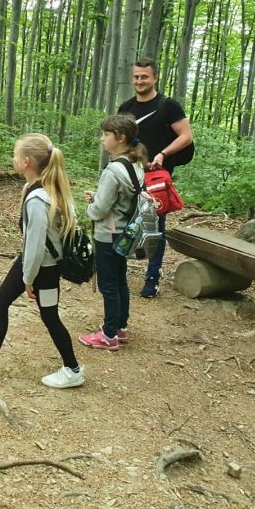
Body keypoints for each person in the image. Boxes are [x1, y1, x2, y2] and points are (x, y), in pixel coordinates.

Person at [0, 134, 85, 389]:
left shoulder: (37, 200)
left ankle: (72, 369)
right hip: (42, 266)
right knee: (8, 303)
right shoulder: (48, 189)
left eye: (15, 155)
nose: (13, 159)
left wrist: (28, 278)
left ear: (27, 162)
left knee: (42, 314)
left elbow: (35, 245)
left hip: (40, 268)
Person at [117, 57, 193, 298]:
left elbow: (186, 136)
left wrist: (162, 154)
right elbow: (119, 140)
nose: (139, 81)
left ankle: (152, 276)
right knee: (123, 220)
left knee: (155, 225)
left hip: (157, 177)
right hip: (130, 173)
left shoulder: (168, 106)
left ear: (155, 78)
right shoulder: (126, 107)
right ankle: (118, 269)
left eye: (144, 77)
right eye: (136, 76)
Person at [78, 115, 147, 351]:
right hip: (125, 232)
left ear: (120, 138)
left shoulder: (113, 170)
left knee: (108, 284)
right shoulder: (135, 165)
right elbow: (120, 200)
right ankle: (120, 327)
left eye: (106, 134)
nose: (102, 139)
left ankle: (108, 335)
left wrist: (90, 207)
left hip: (108, 234)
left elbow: (100, 210)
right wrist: (99, 197)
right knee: (120, 280)